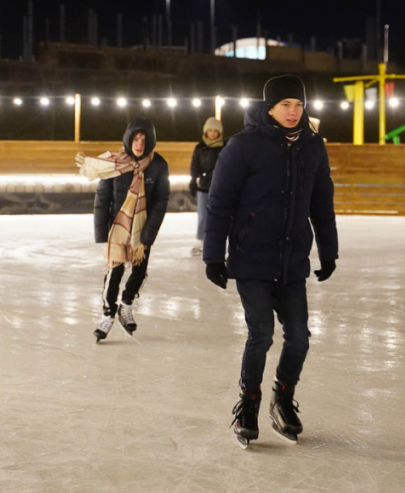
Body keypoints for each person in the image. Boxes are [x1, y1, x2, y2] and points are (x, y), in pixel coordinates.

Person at [203, 74, 338, 447]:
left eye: (298, 104)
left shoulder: (313, 147)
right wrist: (214, 255)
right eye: (285, 105)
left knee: (298, 338)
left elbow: (322, 205)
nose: (293, 112)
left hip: (292, 260)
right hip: (252, 258)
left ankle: (282, 399)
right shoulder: (243, 146)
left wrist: (328, 251)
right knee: (260, 334)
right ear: (270, 108)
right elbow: (219, 204)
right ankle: (248, 405)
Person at [76, 118, 170, 342]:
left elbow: (160, 202)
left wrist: (147, 236)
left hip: (142, 229)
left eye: (144, 140)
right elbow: (103, 198)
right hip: (118, 229)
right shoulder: (114, 163)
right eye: (135, 139)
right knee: (114, 273)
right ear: (128, 139)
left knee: (139, 270)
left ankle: (126, 304)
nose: (139, 144)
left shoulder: (158, 166)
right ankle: (108, 313)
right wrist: (101, 232)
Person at [189, 117, 224, 256]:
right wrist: (193, 180)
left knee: (219, 215)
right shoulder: (200, 147)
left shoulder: (224, 146)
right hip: (203, 187)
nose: (213, 133)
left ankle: (216, 242)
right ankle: (200, 241)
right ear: (206, 131)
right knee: (203, 216)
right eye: (210, 130)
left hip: (220, 187)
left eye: (216, 131)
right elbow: (194, 165)